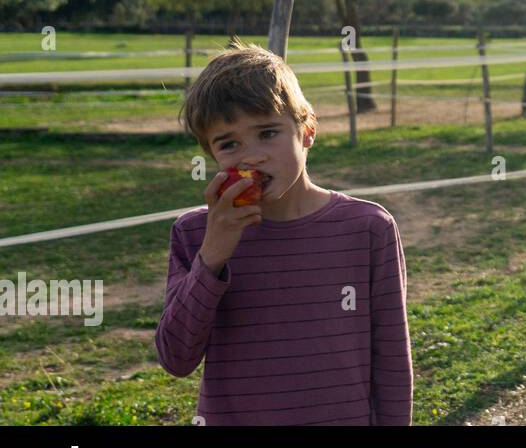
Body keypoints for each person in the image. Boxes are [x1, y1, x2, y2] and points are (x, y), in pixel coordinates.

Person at [155, 38, 413, 425]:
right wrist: (212, 257)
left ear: (307, 131)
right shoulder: (195, 234)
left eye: (268, 133)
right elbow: (176, 358)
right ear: (211, 154)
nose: (251, 155)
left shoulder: (367, 229)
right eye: (229, 144)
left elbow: (391, 359)